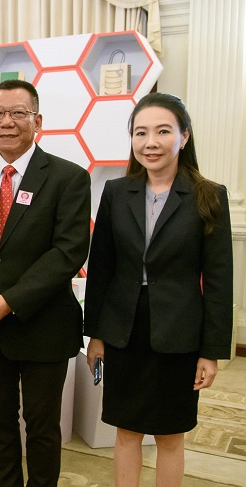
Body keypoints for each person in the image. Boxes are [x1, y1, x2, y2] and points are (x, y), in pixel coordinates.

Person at [84, 93, 232, 487]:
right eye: (141, 133)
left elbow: (219, 281)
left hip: (179, 333)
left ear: (184, 136)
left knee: (170, 434)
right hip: (123, 329)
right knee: (126, 429)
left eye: (163, 131)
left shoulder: (208, 195)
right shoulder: (116, 192)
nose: (151, 142)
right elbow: (102, 268)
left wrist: (211, 352)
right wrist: (95, 334)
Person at [0, 79, 91, 487]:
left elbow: (68, 252)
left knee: (42, 428)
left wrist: (12, 299)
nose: (7, 122)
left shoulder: (69, 177)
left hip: (44, 325)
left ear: (38, 121)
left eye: (18, 113)